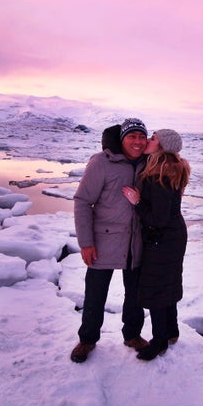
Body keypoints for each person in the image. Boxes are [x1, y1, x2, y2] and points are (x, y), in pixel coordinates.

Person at [70, 118, 150, 363]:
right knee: (95, 293)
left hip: (136, 241)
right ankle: (87, 339)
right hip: (103, 241)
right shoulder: (102, 163)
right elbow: (83, 201)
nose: (137, 142)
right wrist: (86, 242)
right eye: (131, 136)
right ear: (122, 138)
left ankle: (132, 335)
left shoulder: (150, 163)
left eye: (141, 137)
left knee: (135, 293)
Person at [122, 129, 190, 361]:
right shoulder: (172, 167)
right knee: (168, 283)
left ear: (162, 147)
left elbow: (158, 219)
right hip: (174, 236)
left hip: (162, 238)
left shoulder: (159, 173)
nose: (148, 142)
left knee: (157, 288)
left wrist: (138, 202)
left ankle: (159, 341)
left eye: (153, 139)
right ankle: (171, 331)